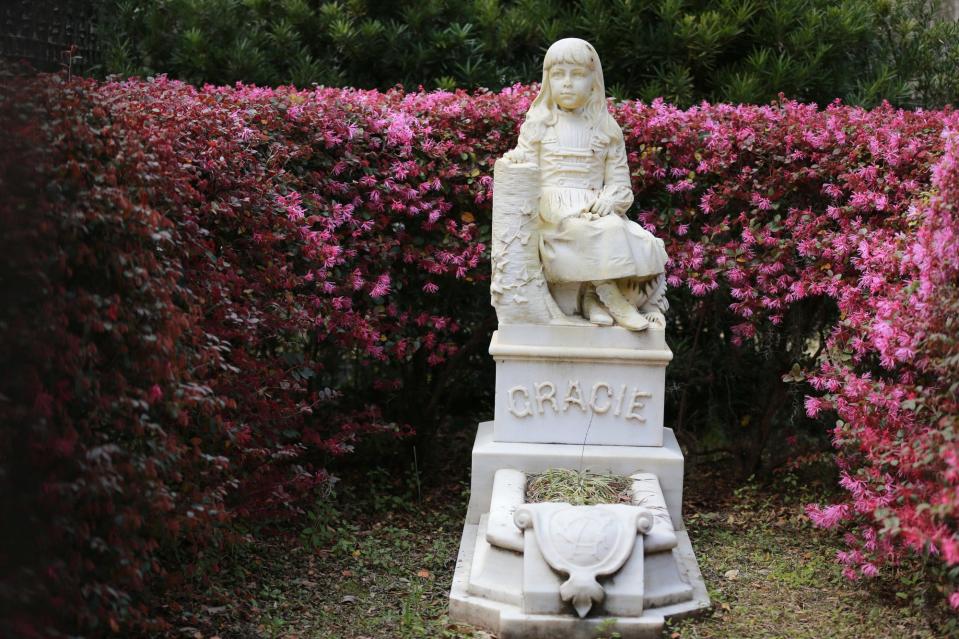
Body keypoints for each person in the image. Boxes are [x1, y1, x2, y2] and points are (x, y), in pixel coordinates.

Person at [503, 38, 668, 331]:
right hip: (554, 213)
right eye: (558, 75)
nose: (567, 83)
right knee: (594, 231)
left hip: (595, 207)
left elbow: (620, 184)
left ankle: (595, 298)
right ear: (548, 80)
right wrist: (516, 159)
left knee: (641, 241)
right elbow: (525, 165)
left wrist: (609, 200)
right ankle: (611, 298)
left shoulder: (606, 129)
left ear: (594, 82)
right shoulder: (538, 124)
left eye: (577, 75)